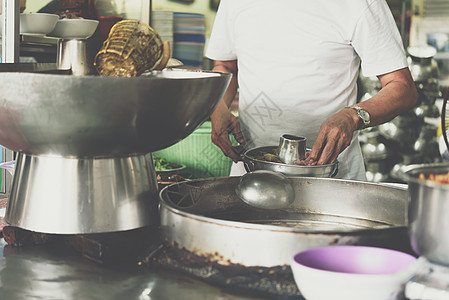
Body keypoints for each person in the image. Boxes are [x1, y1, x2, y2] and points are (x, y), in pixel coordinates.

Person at [206, 0, 418, 180]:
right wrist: (218, 106)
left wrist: (352, 116)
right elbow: (225, 67)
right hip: (252, 174)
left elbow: (402, 87)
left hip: (331, 178)